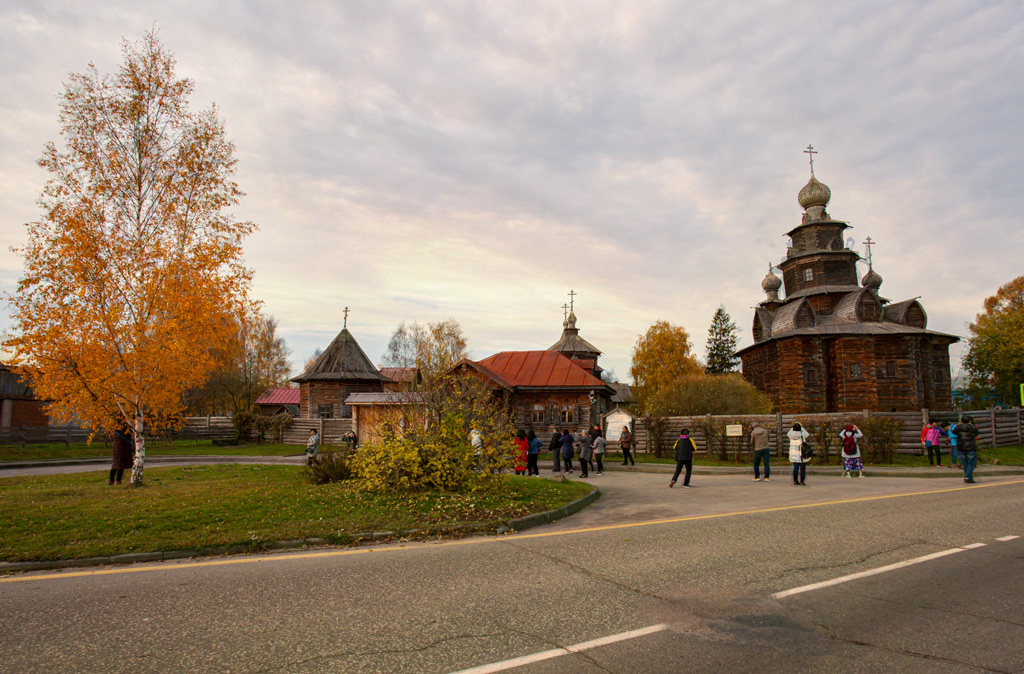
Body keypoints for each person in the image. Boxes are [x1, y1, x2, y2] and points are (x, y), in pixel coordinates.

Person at [954, 417, 980, 483]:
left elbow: (954, 432)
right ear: (969, 421)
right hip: (971, 447)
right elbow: (977, 433)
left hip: (961, 447)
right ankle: (967, 477)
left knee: (965, 463)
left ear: (961, 421)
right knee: (971, 463)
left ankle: (968, 477)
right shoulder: (972, 427)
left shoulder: (958, 427)